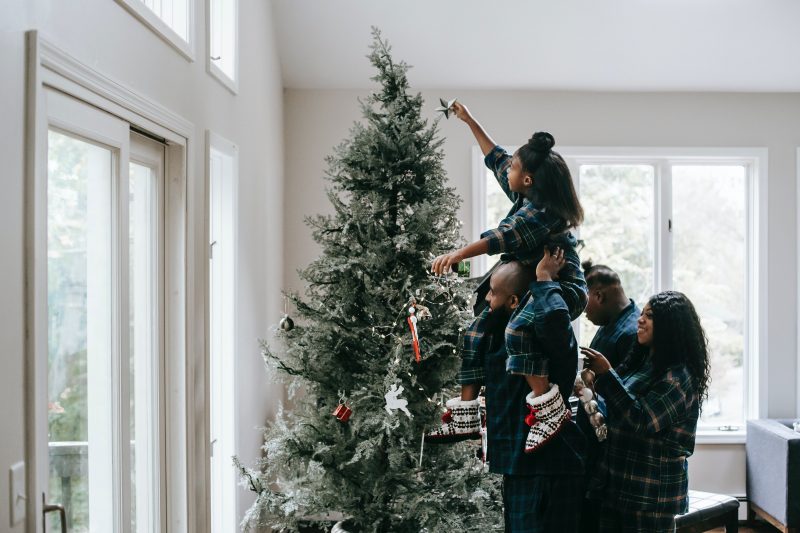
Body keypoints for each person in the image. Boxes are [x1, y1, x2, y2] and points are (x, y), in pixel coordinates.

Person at [429, 101, 587, 452]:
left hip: (562, 287)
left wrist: (457, 255)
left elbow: (497, 239)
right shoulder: (526, 190)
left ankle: (548, 408)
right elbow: (496, 158)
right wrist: (470, 120)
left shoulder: (539, 213)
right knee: (475, 332)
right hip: (533, 282)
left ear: (527, 179)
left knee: (517, 330)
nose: (509, 171)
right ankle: (466, 417)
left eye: (516, 168)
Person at [458, 257, 588, 532]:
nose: (487, 300)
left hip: (548, 468)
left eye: (494, 293)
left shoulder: (544, 335)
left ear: (515, 301)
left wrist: (544, 279)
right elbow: (479, 323)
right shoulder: (496, 336)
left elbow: (555, 316)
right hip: (518, 466)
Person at [581, 291, 711, 532]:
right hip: (618, 484)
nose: (640, 320)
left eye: (649, 316)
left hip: (649, 495)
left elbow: (642, 420)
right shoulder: (642, 364)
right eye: (642, 314)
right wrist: (592, 387)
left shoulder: (679, 376)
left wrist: (607, 374)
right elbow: (619, 409)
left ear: (670, 326)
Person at [575, 261, 640, 533]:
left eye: (584, 302)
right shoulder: (612, 322)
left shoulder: (631, 333)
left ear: (599, 295)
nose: (583, 311)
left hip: (608, 447)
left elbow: (624, 396)